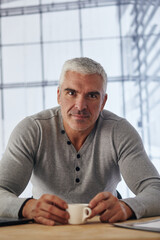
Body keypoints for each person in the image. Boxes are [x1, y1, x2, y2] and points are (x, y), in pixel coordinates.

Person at [0, 57, 160, 226]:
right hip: (44, 224)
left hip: (105, 226)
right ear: (59, 95)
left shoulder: (119, 131)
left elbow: (155, 191)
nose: (80, 105)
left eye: (92, 95)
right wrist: (27, 207)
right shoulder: (32, 130)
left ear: (103, 101)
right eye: (71, 93)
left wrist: (127, 207)